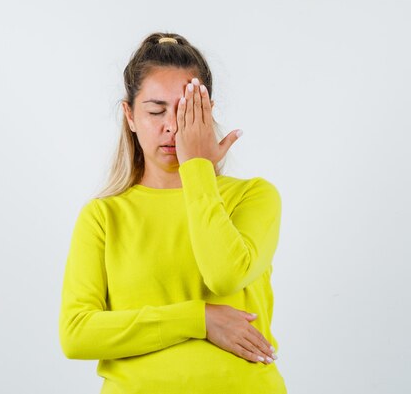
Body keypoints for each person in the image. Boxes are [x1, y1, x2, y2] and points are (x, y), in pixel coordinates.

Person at [59, 32, 286, 393]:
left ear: (207, 113)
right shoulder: (103, 216)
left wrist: (196, 169)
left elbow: (225, 276)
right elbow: (76, 335)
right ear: (130, 115)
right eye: (155, 110)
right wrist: (198, 319)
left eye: (186, 111)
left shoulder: (253, 196)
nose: (171, 126)